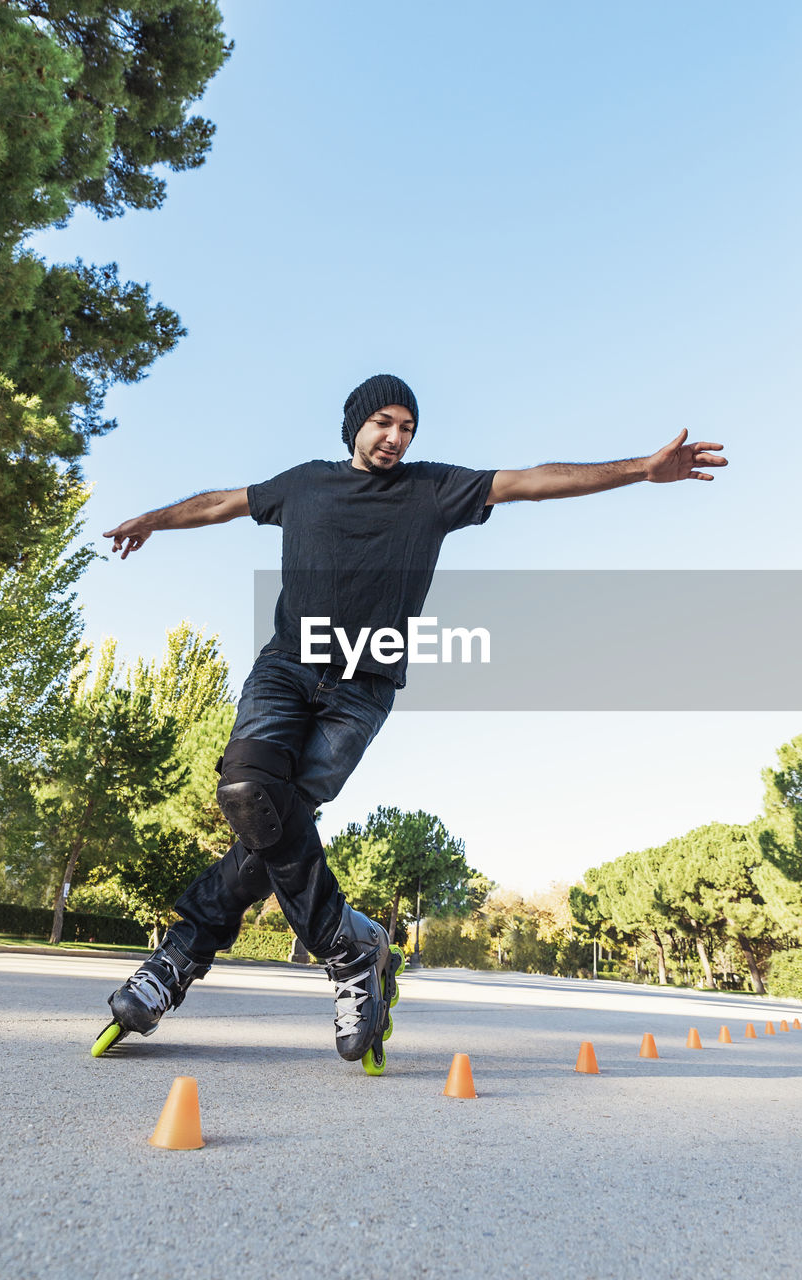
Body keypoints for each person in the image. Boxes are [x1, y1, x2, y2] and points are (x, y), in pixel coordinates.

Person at [97, 373, 727, 1069]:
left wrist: (641, 469)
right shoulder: (304, 484)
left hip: (362, 686)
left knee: (278, 826)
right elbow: (221, 500)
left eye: (407, 428)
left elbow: (532, 481)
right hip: (286, 666)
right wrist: (154, 518)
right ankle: (349, 946)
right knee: (249, 793)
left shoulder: (433, 490)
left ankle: (177, 960)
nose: (395, 438)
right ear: (355, 425)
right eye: (384, 424)